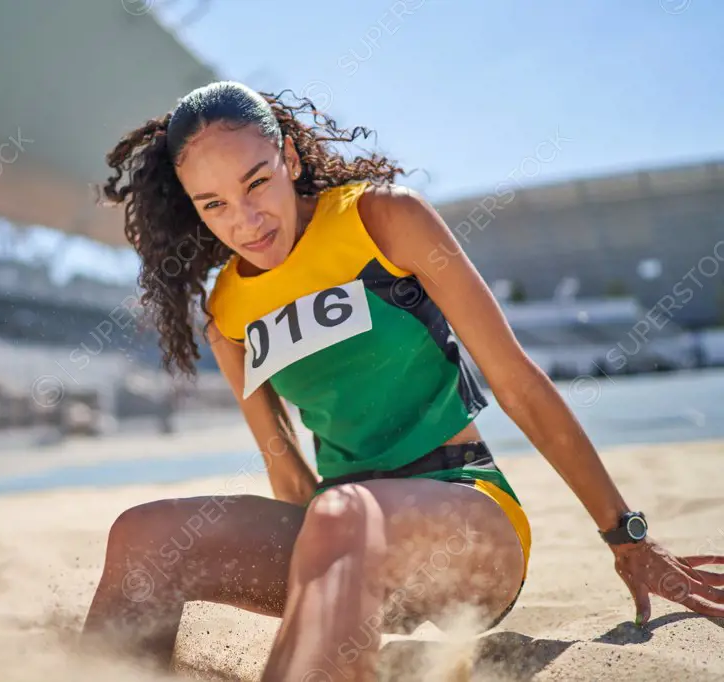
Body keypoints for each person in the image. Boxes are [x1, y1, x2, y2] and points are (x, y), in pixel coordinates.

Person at [79, 81, 724, 681]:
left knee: (343, 514)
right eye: (214, 204)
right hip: (340, 541)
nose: (245, 220)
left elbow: (518, 382)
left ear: (292, 159)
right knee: (141, 536)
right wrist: (327, 587)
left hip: (464, 516)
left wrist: (626, 535)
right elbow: (287, 471)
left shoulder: (383, 220)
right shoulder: (227, 314)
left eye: (257, 182)